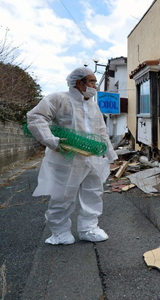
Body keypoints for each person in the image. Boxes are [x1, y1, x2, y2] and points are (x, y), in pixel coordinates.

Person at [27, 67, 118, 245]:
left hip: (92, 157)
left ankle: (88, 228)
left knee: (93, 192)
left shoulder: (93, 105)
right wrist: (51, 141)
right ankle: (59, 232)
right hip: (66, 157)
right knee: (63, 194)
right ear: (79, 82)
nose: (95, 86)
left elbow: (101, 131)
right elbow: (36, 117)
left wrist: (110, 155)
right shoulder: (59, 99)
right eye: (92, 82)